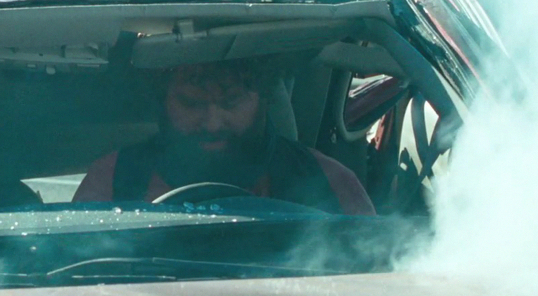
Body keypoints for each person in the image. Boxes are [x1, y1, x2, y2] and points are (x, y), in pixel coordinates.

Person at [72, 60, 376, 215]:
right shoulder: (113, 181)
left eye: (232, 102)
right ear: (163, 101)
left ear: (264, 99)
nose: (213, 122)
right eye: (192, 103)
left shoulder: (329, 182)